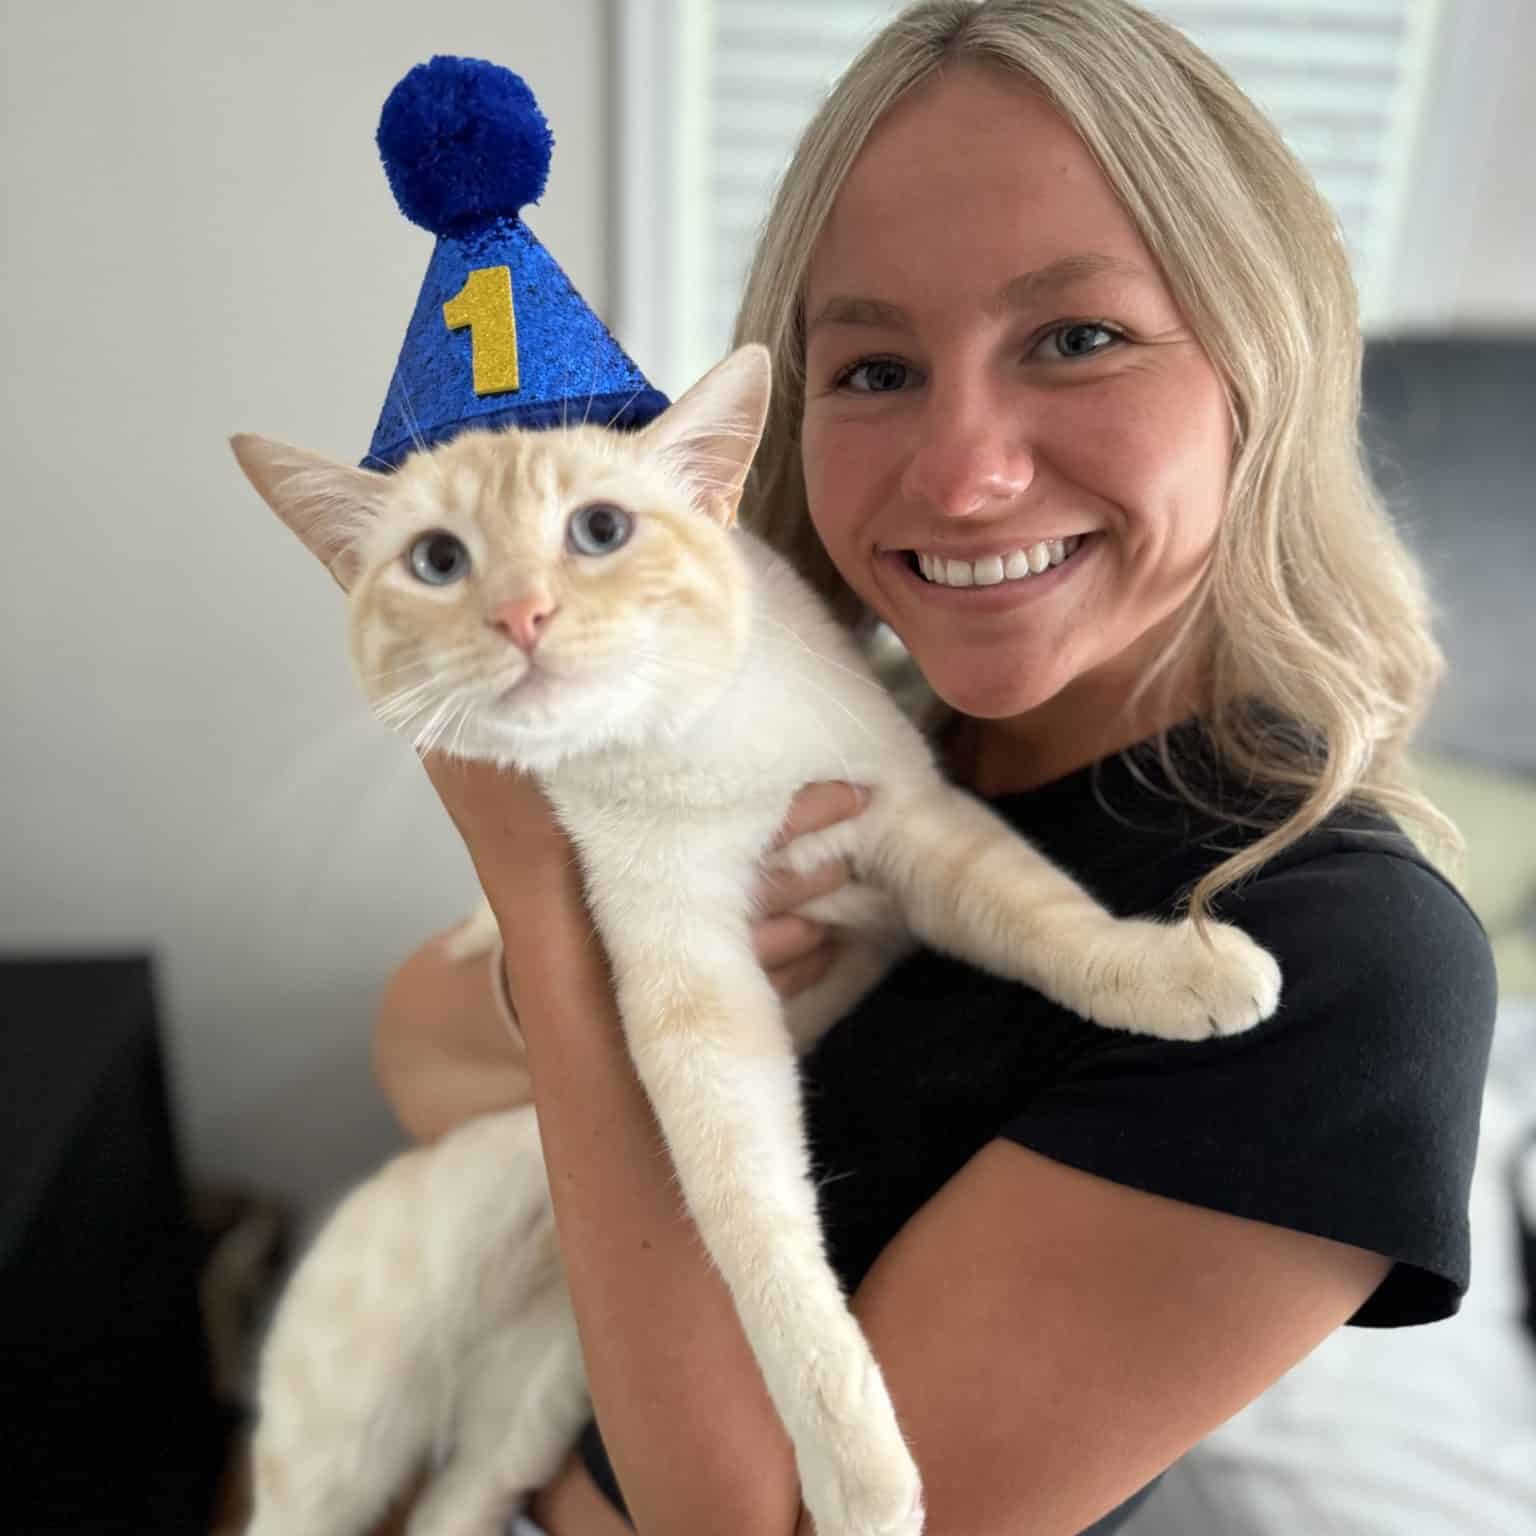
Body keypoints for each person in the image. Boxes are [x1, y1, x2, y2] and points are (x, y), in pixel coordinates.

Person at [375, 2, 1496, 1532]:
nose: (965, 475)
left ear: (1264, 364)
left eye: (1078, 339)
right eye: (877, 369)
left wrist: (553, 914)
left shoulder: (1336, 963)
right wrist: (559, 978)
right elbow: (416, 1052)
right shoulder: (856, 733)